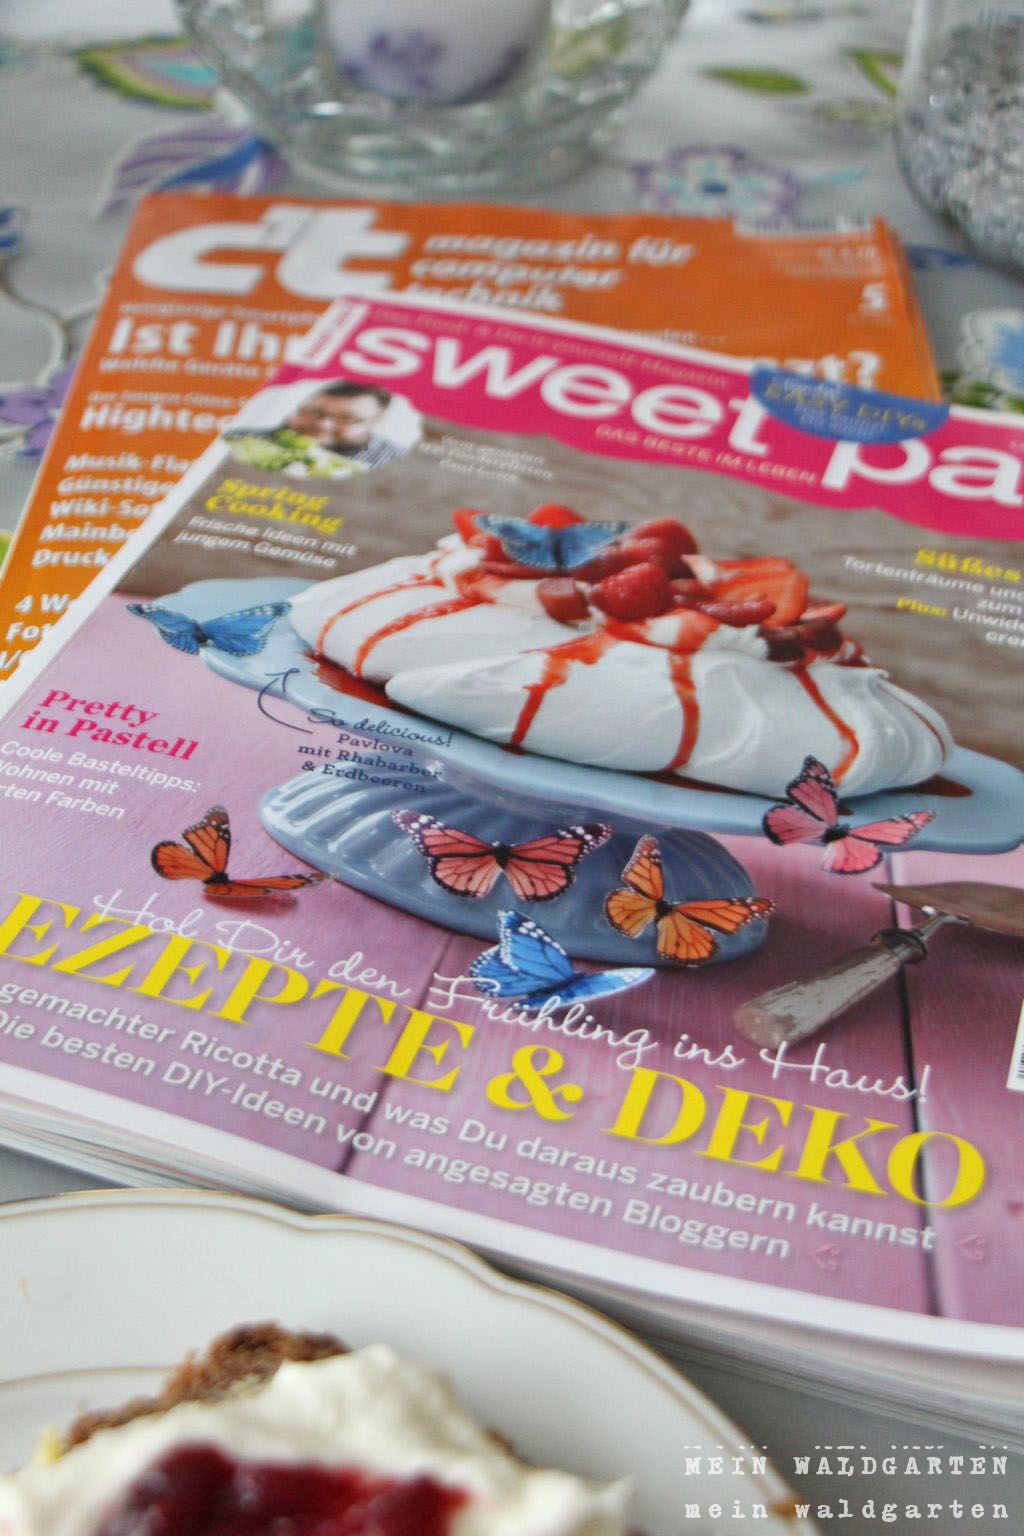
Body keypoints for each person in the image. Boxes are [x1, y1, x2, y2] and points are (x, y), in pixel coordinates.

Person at [227, 380, 409, 475]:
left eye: (346, 418)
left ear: (378, 420)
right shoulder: (238, 440)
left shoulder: (399, 462)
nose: (323, 425)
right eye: (314, 412)